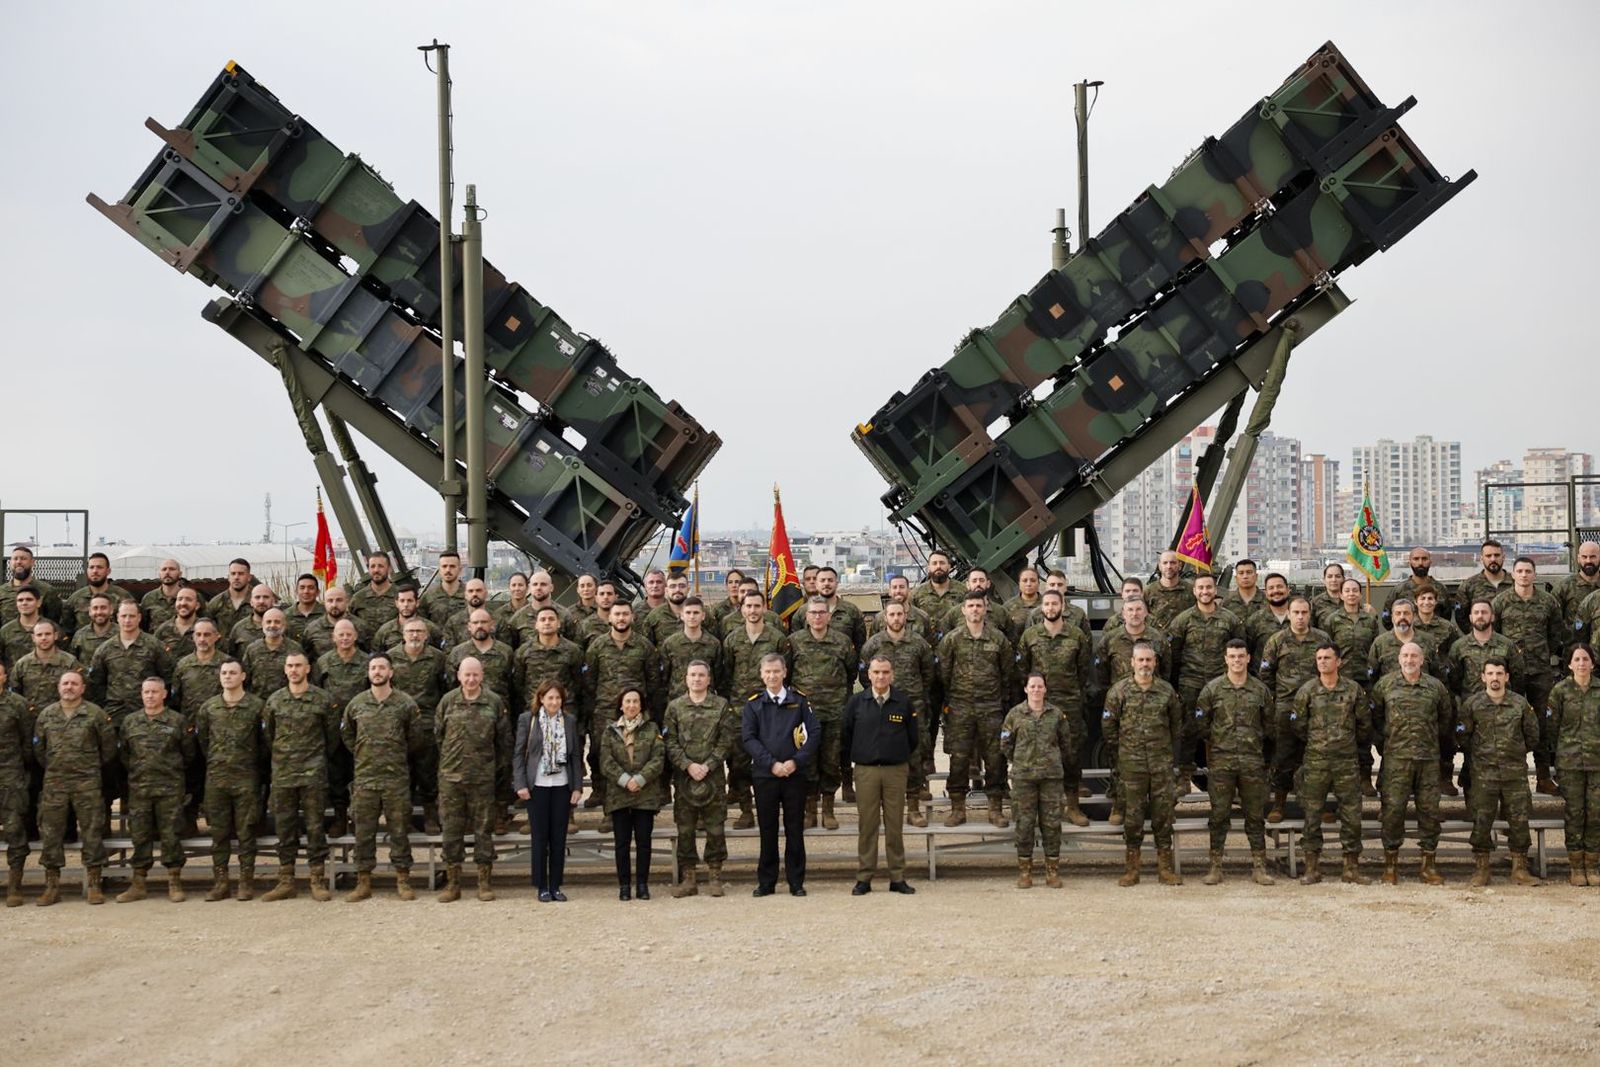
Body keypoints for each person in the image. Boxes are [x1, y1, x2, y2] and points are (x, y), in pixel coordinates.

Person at [340, 652, 422, 902]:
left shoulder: (405, 704)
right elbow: (348, 736)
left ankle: (403, 879)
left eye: (382, 668)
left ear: (391, 672)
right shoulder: (357, 704)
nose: (377, 672)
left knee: (399, 831)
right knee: (363, 832)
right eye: (373, 668)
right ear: (368, 673)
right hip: (365, 778)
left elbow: (415, 739)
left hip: (395, 779)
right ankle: (363, 881)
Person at [1194, 639, 1276, 886]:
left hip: (1252, 763)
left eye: (1241, 656)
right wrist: (1220, 741)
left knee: (1255, 816)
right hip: (1222, 762)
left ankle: (1259, 867)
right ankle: (1215, 866)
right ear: (1226, 659)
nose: (1237, 660)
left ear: (1249, 658)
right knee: (1219, 816)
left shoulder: (1260, 691)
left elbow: (1269, 726)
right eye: (1232, 656)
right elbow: (1201, 725)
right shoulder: (1212, 690)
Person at [1371, 642, 1453, 886]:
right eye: (1405, 655)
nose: (1409, 660)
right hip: (1396, 760)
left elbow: (1445, 720)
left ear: (1422, 660)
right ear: (1399, 659)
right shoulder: (1385, 685)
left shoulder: (1435, 687)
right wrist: (1387, 744)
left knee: (1429, 813)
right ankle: (1390, 866)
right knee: (1392, 812)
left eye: (1414, 656)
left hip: (1428, 761)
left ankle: (1428, 866)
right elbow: (1376, 719)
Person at [1103, 642, 1183, 887]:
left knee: (1163, 817)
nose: (1145, 664)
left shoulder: (1166, 691)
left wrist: (1165, 752)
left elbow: (1176, 726)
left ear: (1155, 662)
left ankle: (1165, 870)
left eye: (1149, 660)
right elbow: (1109, 728)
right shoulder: (1119, 691)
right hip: (1132, 765)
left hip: (1160, 765)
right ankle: (1132, 870)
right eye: (1141, 660)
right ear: (1132, 662)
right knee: (1133, 818)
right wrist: (1125, 751)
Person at [1455, 658, 1542, 887]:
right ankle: (1482, 869)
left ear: (1507, 677)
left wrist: (1514, 752)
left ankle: (1519, 869)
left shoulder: (1520, 704)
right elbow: (1463, 736)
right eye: (1491, 673)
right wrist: (1481, 755)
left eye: (1499, 673)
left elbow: (1532, 735)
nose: (1495, 678)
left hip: (1514, 774)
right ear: (1483, 677)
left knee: (1519, 820)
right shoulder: (1472, 705)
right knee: (1482, 821)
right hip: (1483, 774)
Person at [260, 651, 338, 903]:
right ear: (285, 670)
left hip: (313, 772)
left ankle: (317, 879)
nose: (293, 670)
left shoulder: (322, 699)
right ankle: (286, 880)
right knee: (285, 827)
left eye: (298, 666)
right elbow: (269, 736)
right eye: (290, 666)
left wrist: (315, 757)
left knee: (315, 827)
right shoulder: (275, 701)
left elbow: (331, 737)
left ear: (307, 669)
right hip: (283, 773)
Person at [32, 671, 115, 906]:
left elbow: (108, 749)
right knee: (51, 834)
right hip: (55, 783)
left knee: (92, 832)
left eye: (74, 683)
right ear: (59, 687)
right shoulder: (46, 715)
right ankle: (52, 887)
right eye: (65, 683)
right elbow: (39, 750)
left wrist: (88, 767)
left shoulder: (96, 714)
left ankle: (95, 885)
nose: (69, 687)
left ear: (83, 688)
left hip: (87, 783)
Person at [1290, 644, 1370, 885]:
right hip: (1316, 762)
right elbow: (1298, 725)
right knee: (1312, 815)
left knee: (1352, 816)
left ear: (1339, 662)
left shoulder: (1353, 690)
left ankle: (1351, 868)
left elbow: (1364, 724)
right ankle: (1312, 868)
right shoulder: (1307, 691)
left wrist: (1345, 743)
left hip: (1346, 762)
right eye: (1319, 658)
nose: (1323, 662)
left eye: (1327, 657)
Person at [743, 653, 820, 897]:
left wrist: (796, 762)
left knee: (794, 829)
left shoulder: (800, 701)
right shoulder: (753, 704)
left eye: (776, 671)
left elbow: (814, 733)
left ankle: (796, 881)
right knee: (767, 829)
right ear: (761, 674)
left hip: (794, 775)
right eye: (768, 672)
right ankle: (766, 882)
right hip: (766, 776)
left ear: (785, 672)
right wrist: (772, 764)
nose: (772, 676)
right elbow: (749, 738)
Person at [435, 655, 510, 903]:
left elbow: (503, 740)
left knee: (483, 831)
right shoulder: (447, 702)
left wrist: (492, 768)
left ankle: (484, 883)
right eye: (467, 674)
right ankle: (453, 884)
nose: (471, 679)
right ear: (459, 676)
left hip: (482, 778)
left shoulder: (494, 702)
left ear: (482, 676)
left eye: (475, 674)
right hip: (451, 779)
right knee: (451, 832)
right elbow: (438, 736)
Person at [937, 591, 1014, 828]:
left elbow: (1007, 673)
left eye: (978, 606)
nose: (975, 610)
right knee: (959, 759)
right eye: (970, 606)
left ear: (985, 608)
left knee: (995, 759)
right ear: (963, 610)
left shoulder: (998, 639)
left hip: (991, 708)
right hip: (960, 707)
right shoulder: (952, 639)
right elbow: (944, 674)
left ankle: (995, 809)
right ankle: (957, 809)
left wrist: (998, 700)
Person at [114, 677, 195, 903]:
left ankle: (174, 882)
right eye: (146, 692)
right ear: (141, 694)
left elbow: (188, 753)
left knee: (171, 835)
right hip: (140, 789)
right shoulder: (130, 722)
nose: (150, 696)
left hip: (170, 789)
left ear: (164, 694)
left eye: (154, 692)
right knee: (140, 836)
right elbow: (124, 755)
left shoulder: (177, 721)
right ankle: (138, 884)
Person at [844, 656, 919, 896]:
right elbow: (846, 735)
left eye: (885, 672)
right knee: (868, 826)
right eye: (876, 672)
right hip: (866, 771)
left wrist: (896, 754)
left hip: (895, 771)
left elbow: (913, 738)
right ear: (868, 675)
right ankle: (864, 877)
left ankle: (897, 877)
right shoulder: (856, 702)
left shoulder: (903, 703)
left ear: (892, 675)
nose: (881, 677)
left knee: (894, 826)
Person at [858, 600, 938, 825]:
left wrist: (916, 694)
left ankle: (913, 808)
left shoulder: (919, 643)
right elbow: (864, 675)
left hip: (912, 706)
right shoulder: (873, 644)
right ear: (885, 618)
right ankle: (885, 810)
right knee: (883, 753)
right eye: (891, 614)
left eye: (899, 614)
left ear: (905, 616)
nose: (896, 618)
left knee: (914, 754)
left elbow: (928, 673)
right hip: (882, 707)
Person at [663, 661, 737, 898]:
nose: (697, 679)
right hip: (685, 778)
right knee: (685, 828)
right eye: (693, 675)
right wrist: (688, 765)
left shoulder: (720, 705)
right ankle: (689, 878)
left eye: (701, 675)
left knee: (715, 827)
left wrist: (709, 764)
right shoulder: (675, 707)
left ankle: (715, 876)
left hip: (713, 777)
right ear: (686, 679)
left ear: (709, 679)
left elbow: (726, 739)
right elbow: (669, 741)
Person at [1167, 574, 1245, 795]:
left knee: (1224, 730)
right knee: (1188, 730)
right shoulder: (1183, 620)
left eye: (1209, 587)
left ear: (1215, 590)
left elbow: (1239, 650)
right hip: (1190, 683)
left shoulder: (1230, 620)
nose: (1205, 591)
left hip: (1221, 684)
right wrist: (1176, 685)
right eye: (1200, 588)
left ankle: (1225, 779)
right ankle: (1184, 776)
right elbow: (1173, 655)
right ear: (1194, 591)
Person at [1493, 558, 1566, 795]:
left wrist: (1542, 653)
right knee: (1511, 722)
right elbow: (1495, 634)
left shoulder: (1548, 601)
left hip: (1540, 671)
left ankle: (1543, 776)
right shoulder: (1501, 601)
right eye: (1520, 571)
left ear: (1535, 574)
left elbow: (1555, 633)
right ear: (1513, 574)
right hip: (1511, 673)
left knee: (1542, 723)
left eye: (1528, 571)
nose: (1524, 575)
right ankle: (1513, 777)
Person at [194, 659, 265, 901]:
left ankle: (246, 882)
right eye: (224, 672)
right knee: (219, 834)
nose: (227, 676)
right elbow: (203, 741)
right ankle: (221, 882)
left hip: (246, 778)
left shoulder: (256, 706)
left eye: (232, 672)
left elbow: (265, 742)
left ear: (243, 676)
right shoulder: (209, 708)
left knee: (247, 832)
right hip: (217, 778)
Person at [721, 590, 790, 829]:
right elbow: (725, 674)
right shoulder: (732, 639)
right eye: (748, 606)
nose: (752, 610)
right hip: (740, 710)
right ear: (742, 609)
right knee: (740, 763)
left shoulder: (776, 638)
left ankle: (770, 809)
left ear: (764, 608)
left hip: (771, 710)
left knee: (771, 759)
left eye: (757, 606)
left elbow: (786, 672)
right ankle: (745, 809)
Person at [1001, 672, 1075, 889]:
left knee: (1051, 825)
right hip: (1024, 778)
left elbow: (1066, 743)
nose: (1036, 690)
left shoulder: (1056, 715)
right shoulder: (1015, 714)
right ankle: (1025, 871)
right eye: (1032, 686)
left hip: (1051, 778)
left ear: (1045, 689)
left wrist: (1052, 761)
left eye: (1039, 686)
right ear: (1026, 689)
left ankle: (1052, 871)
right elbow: (1005, 744)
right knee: (1024, 825)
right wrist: (1022, 760)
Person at [1259, 597, 1330, 823]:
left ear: (1310, 614)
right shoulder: (1277, 640)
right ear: (1288, 614)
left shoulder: (1322, 639)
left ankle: (1315, 806)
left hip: (1315, 708)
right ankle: (1279, 804)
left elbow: (1330, 669)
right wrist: (1274, 701)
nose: (1300, 617)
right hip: (1285, 708)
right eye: (1296, 612)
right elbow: (1266, 675)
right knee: (1283, 756)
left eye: (1304, 612)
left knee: (1314, 758)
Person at [787, 596, 855, 829]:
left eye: (821, 612)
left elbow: (851, 672)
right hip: (804, 715)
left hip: (834, 713)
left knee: (831, 761)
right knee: (807, 762)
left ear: (829, 616)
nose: (817, 616)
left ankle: (828, 809)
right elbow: (787, 675)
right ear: (806, 616)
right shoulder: (794, 642)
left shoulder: (842, 641)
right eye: (813, 613)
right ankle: (810, 810)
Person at [515, 681, 583, 902]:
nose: (554, 702)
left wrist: (577, 786)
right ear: (541, 699)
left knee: (558, 838)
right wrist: (520, 784)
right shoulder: (528, 720)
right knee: (540, 838)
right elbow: (519, 754)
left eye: (558, 698)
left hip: (562, 785)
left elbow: (575, 755)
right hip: (537, 786)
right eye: (550, 697)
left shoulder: (569, 721)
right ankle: (541, 886)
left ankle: (556, 885)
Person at [601, 687, 666, 900]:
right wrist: (625, 780)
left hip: (645, 794)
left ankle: (642, 885)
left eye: (635, 701)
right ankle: (624, 886)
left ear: (641, 705)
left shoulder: (652, 728)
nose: (631, 705)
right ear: (621, 705)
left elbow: (658, 759)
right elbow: (606, 761)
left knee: (643, 843)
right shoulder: (610, 731)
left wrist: (639, 779)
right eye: (627, 701)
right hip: (619, 794)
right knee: (621, 844)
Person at [1547, 644, 1600, 886]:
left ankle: (1593, 865)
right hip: (1570, 764)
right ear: (1569, 664)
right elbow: (1552, 727)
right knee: (1575, 814)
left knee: (1596, 814)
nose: (1581, 663)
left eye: (1585, 659)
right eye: (1577, 659)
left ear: (1593, 663)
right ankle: (1576, 866)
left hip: (1597, 763)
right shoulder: (1560, 691)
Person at [0, 662, 30, 906]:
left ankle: (14, 884)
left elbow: (28, 742)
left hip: (11, 774)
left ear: (4, 677)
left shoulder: (17, 704)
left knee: (14, 828)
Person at [65, 554, 132, 635]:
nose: (95, 571)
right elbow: (66, 629)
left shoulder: (123, 597)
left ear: (108, 571)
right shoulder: (75, 599)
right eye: (91, 567)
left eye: (99, 567)